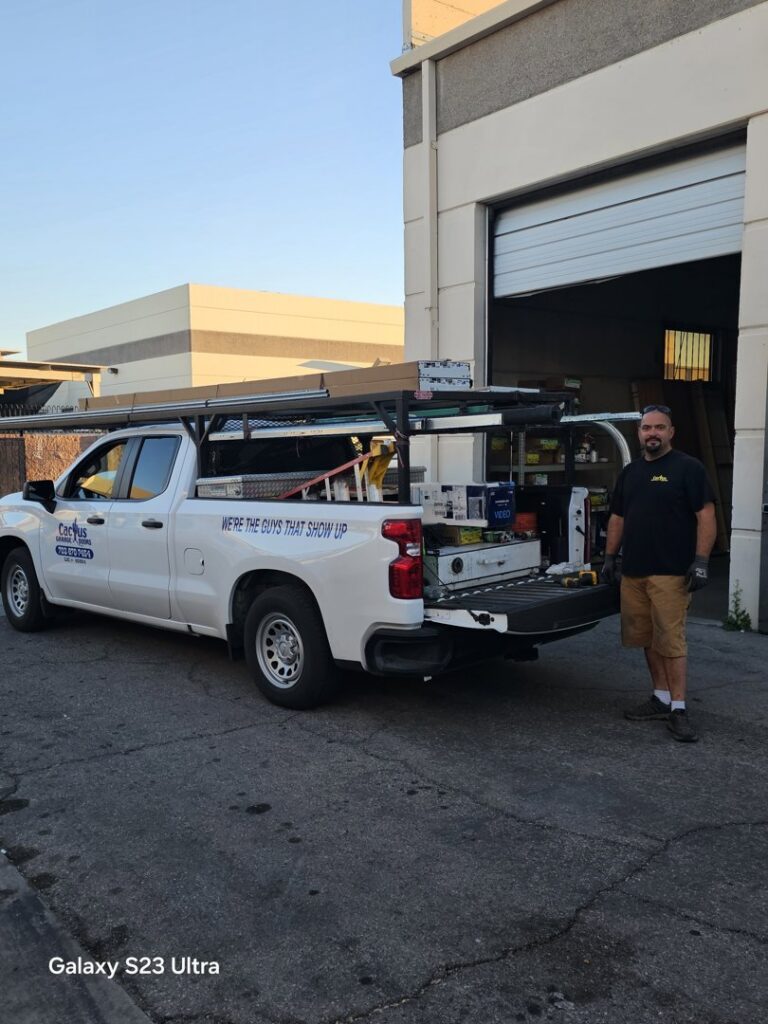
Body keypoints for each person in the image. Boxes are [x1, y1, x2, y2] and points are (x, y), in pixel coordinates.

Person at [601, 405, 716, 742]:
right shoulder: (630, 473)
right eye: (646, 428)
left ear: (671, 432)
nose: (652, 433)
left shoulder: (688, 469)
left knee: (671, 640)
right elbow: (618, 518)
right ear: (639, 433)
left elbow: (706, 516)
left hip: (671, 573)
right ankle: (660, 697)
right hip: (634, 572)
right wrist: (609, 557)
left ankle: (679, 709)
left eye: (659, 428)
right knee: (647, 639)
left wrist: (701, 561)